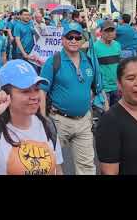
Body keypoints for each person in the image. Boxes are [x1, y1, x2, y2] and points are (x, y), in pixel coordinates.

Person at [39, 22, 97, 175]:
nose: (73, 40)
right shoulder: (53, 61)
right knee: (49, 162)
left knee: (87, 166)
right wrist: (42, 119)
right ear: (62, 39)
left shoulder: (89, 61)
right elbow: (41, 91)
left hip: (84, 121)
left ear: (82, 40)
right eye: (69, 37)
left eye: (77, 37)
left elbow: (94, 87)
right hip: (59, 121)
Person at [94, 20, 122, 107]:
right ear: (101, 32)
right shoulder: (95, 47)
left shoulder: (117, 45)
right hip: (103, 88)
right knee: (105, 115)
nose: (110, 33)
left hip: (116, 87)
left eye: (112, 30)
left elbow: (119, 65)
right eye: (107, 31)